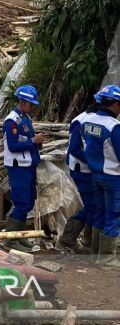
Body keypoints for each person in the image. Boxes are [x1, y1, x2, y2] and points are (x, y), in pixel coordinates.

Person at [2, 85, 47, 252]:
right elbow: (13, 146)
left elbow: (27, 139)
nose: (33, 107)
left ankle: (19, 237)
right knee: (21, 202)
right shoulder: (12, 120)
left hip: (28, 166)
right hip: (18, 167)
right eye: (30, 104)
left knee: (28, 202)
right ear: (22, 102)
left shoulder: (25, 118)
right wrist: (33, 141)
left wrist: (37, 142)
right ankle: (11, 239)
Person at [81, 84, 120, 268]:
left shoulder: (89, 122)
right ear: (114, 105)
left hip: (96, 174)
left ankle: (96, 254)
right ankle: (107, 258)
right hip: (113, 176)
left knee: (100, 212)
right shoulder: (114, 127)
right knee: (113, 214)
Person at [60, 101, 96, 251]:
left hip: (90, 169)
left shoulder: (94, 120)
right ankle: (69, 237)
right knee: (92, 205)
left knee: (96, 204)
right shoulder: (81, 121)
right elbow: (74, 149)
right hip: (82, 169)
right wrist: (94, 162)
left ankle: (88, 240)